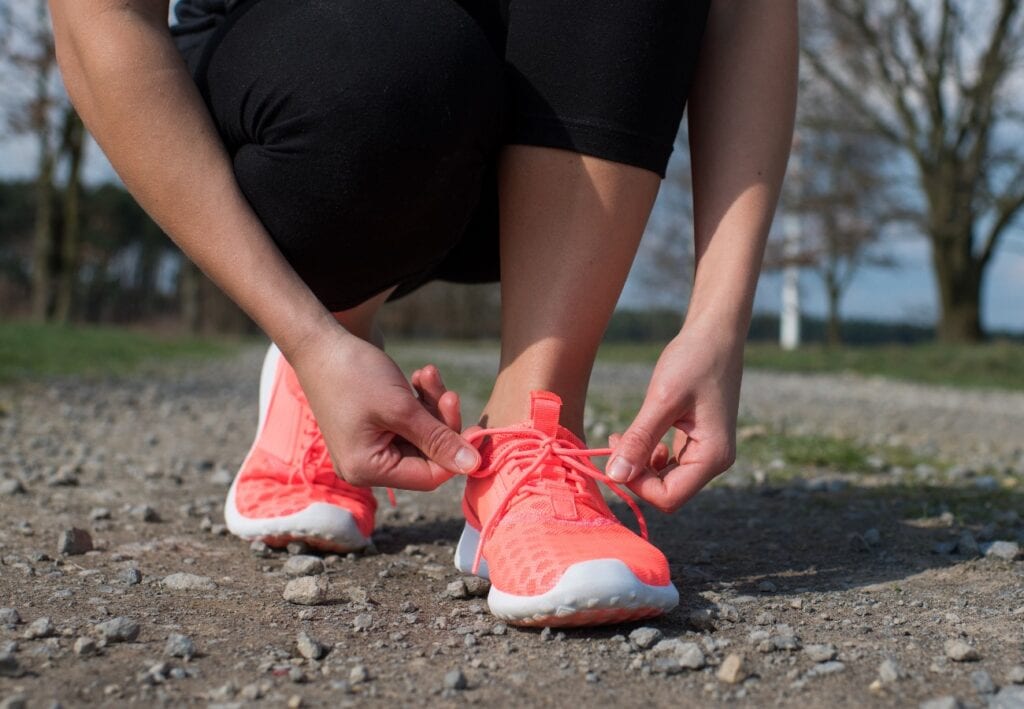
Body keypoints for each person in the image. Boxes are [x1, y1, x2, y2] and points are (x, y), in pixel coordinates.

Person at [49, 0, 797, 627]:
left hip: (566, 116)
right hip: (309, 99)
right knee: (388, 64)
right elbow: (99, 19)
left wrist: (718, 324)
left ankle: (530, 440)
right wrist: (309, 337)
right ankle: (334, 346)